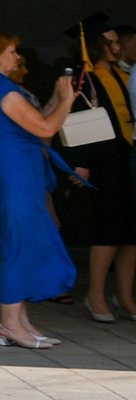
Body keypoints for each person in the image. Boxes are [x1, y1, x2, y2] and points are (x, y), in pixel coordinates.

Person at [0, 28, 83, 349]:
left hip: (20, 170)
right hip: (15, 171)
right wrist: (63, 100)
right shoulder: (1, 89)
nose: (18, 57)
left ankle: (21, 321)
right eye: (12, 51)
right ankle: (9, 325)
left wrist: (58, 99)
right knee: (17, 246)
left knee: (26, 242)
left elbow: (38, 119)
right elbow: (47, 127)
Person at [66, 17, 135, 321]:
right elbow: (78, 120)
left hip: (126, 158)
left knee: (131, 232)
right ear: (95, 45)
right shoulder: (84, 78)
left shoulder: (121, 73)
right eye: (111, 43)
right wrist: (81, 163)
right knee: (109, 228)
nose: (117, 47)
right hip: (102, 160)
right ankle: (95, 295)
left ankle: (125, 296)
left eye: (118, 42)